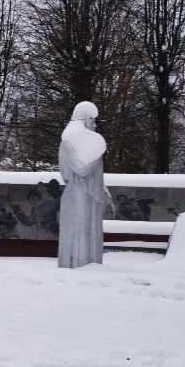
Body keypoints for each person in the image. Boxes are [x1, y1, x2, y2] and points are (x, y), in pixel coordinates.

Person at [57, 100, 111, 268]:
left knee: (89, 233)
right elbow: (82, 170)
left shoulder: (86, 140)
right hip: (78, 194)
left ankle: (89, 267)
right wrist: (97, 150)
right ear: (86, 118)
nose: (95, 125)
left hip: (88, 194)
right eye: (93, 120)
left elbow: (95, 175)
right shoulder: (70, 139)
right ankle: (78, 267)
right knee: (79, 234)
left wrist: (105, 192)